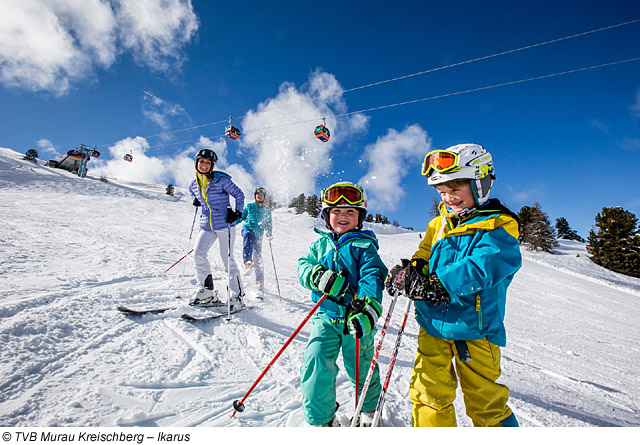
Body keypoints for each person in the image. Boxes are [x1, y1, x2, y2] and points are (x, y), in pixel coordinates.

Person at [387, 143, 521, 427]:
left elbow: (486, 265)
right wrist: (410, 271)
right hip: (432, 325)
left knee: (486, 405)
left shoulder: (498, 225)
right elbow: (424, 255)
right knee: (427, 395)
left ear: (481, 183)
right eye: (442, 192)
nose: (449, 198)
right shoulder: (439, 224)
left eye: (456, 189)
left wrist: (437, 284)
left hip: (475, 330)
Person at [297, 182, 388, 427]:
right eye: (337, 211)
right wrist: (317, 276)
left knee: (360, 366)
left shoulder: (364, 246)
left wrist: (368, 308)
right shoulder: (319, 245)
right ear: (327, 216)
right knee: (316, 362)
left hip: (354, 319)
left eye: (351, 212)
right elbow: (303, 265)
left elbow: (373, 276)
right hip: (325, 317)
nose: (343, 216)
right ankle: (322, 418)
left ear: (360, 216)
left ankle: (368, 411)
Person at [189, 149, 245, 308]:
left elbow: (239, 194)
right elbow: (194, 193)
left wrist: (237, 212)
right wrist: (196, 200)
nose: (204, 165)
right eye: (202, 161)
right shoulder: (194, 184)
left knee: (226, 259)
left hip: (225, 224)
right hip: (206, 225)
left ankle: (237, 295)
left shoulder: (221, 180)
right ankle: (207, 290)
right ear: (196, 163)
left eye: (208, 163)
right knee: (198, 254)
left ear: (212, 165)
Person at [240, 187, 273, 296]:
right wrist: (231, 223)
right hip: (248, 229)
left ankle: (260, 284)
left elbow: (268, 223)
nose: (259, 196)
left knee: (258, 257)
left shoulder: (266, 209)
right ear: (255, 196)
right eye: (257, 195)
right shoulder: (249, 206)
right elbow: (242, 217)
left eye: (261, 195)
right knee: (248, 239)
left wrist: (269, 233)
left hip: (259, 234)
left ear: (264, 197)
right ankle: (247, 262)